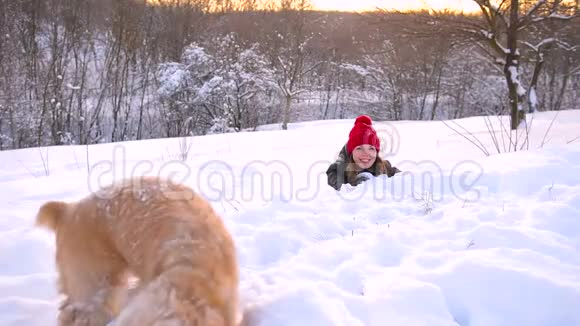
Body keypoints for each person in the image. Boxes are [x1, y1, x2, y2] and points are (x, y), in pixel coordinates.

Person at [326, 115, 400, 191]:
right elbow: (333, 176)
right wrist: (356, 186)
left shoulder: (385, 167)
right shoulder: (343, 168)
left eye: (371, 148)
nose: (366, 153)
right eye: (359, 148)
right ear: (352, 152)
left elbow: (403, 178)